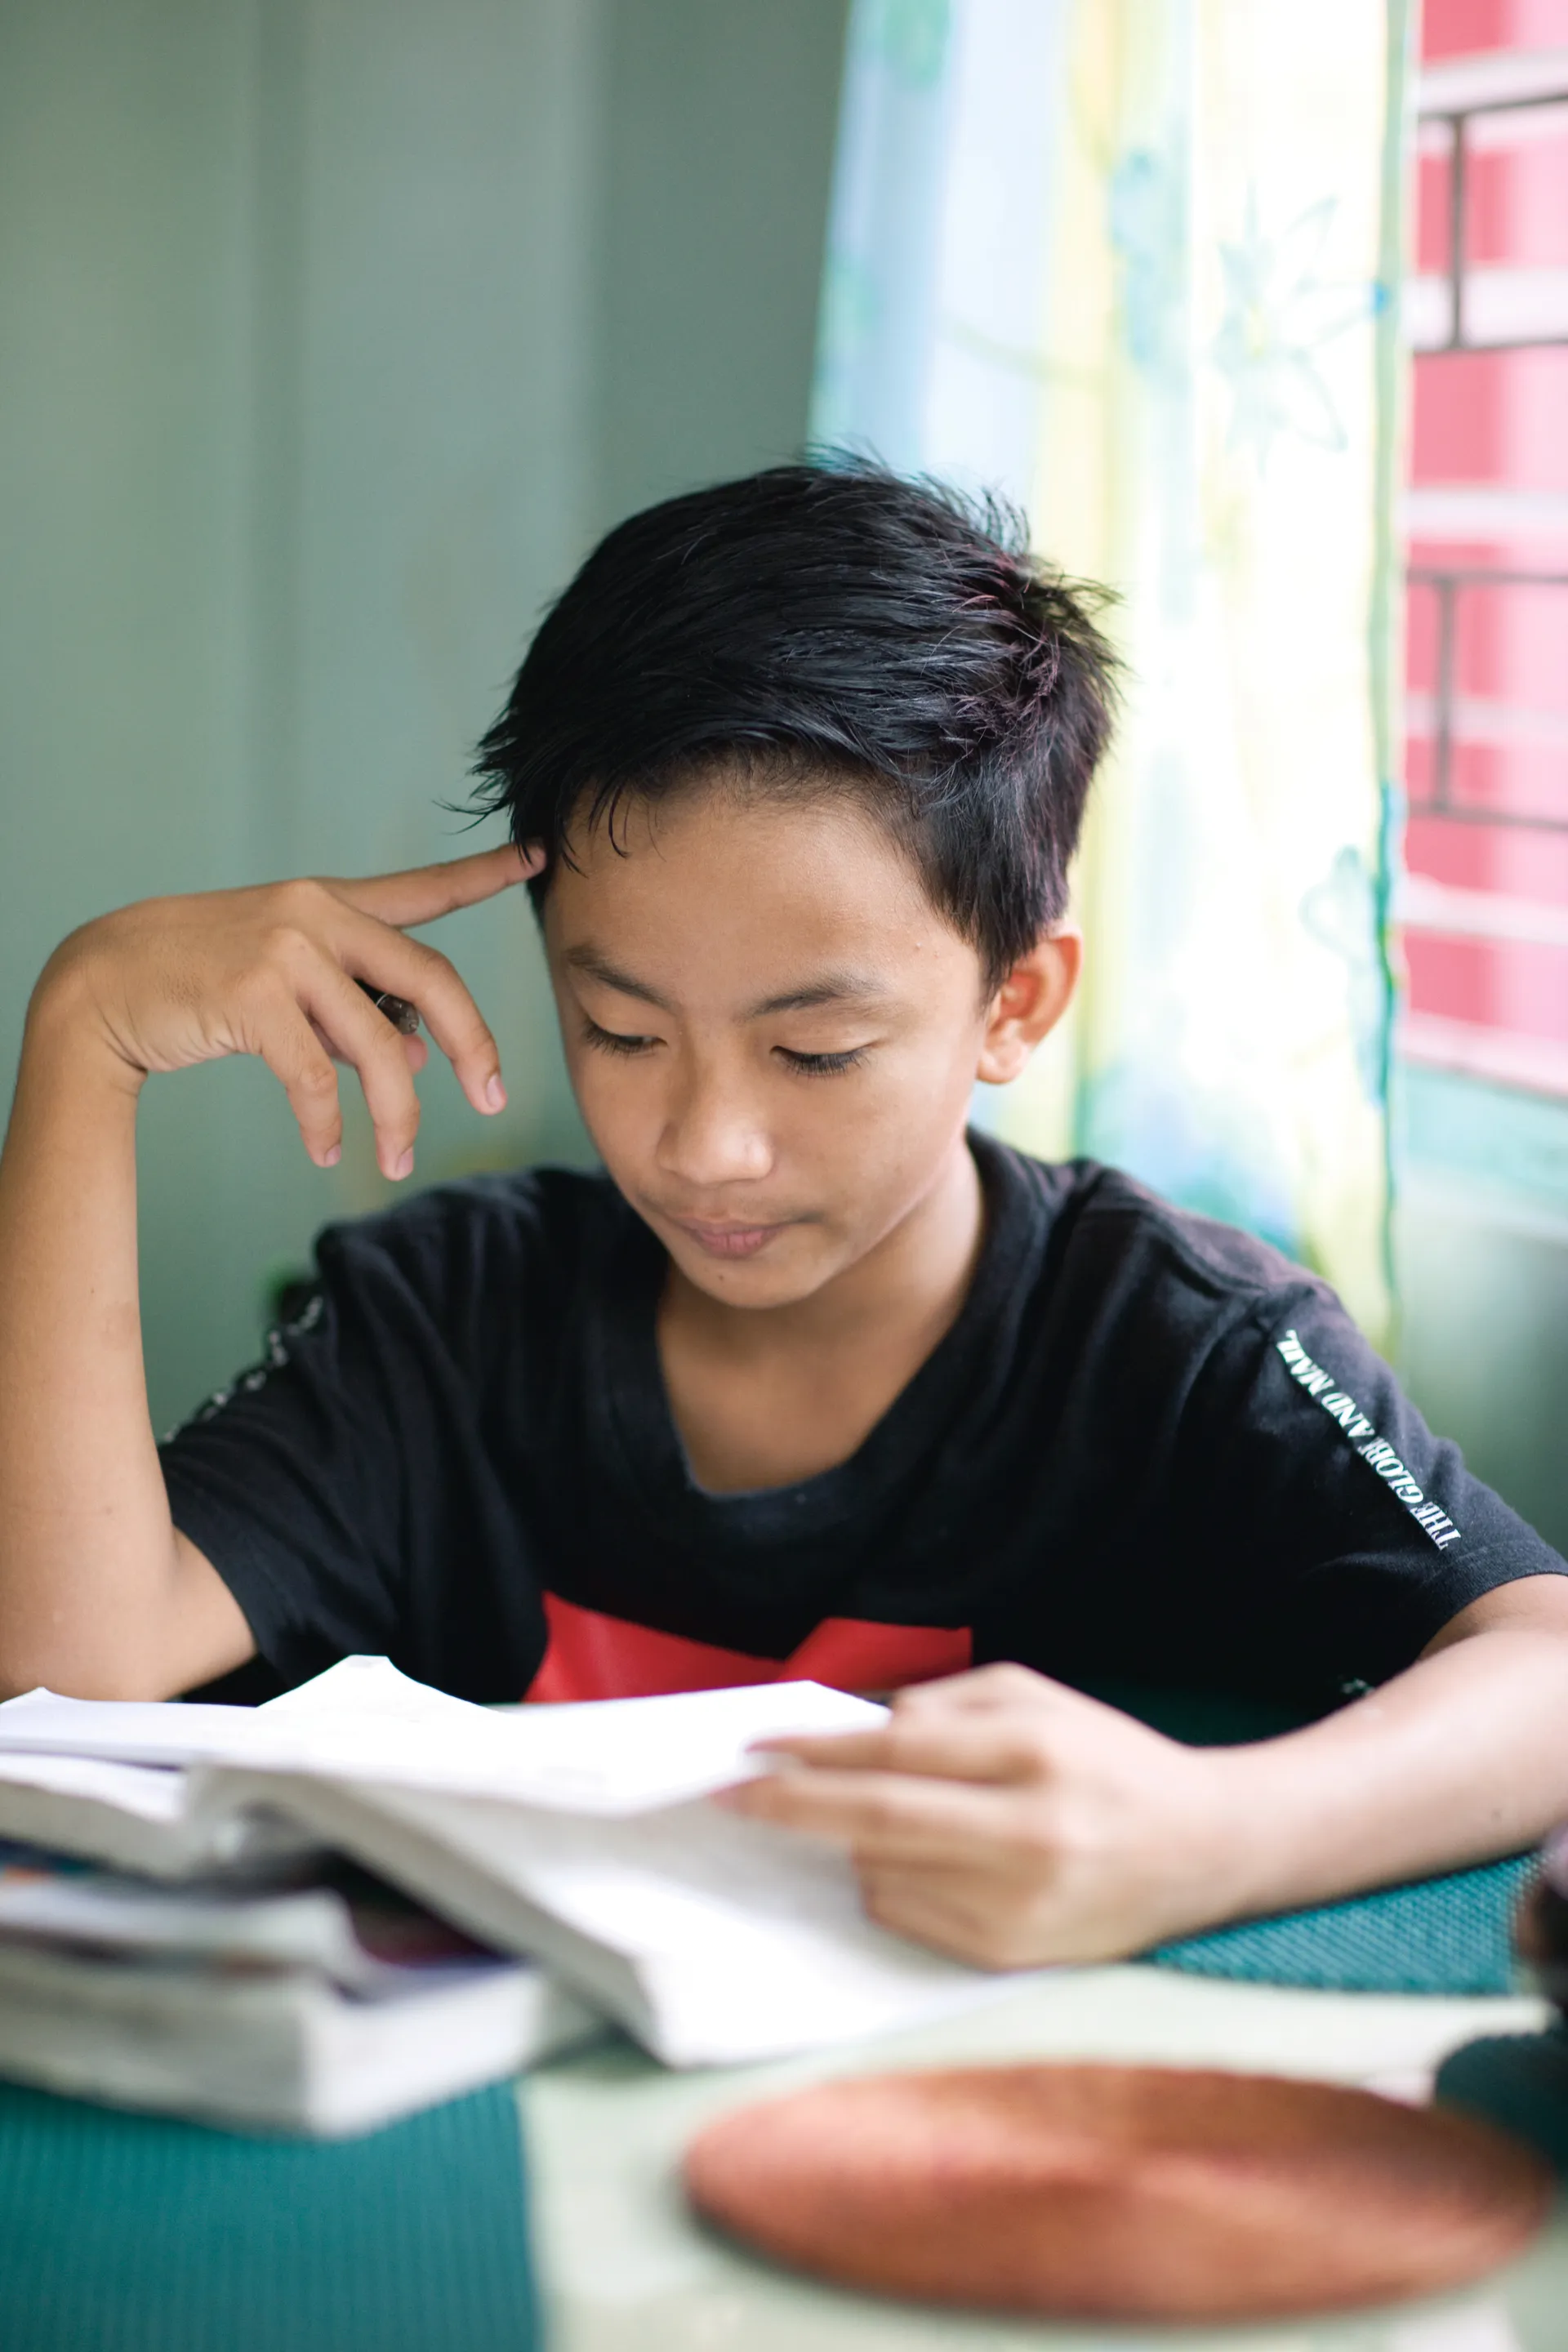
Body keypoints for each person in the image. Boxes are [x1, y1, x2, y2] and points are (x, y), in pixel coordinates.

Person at [2, 461, 1566, 1972]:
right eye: (620, 1033)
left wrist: (1216, 1833)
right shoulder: (449, 1321)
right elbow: (65, 1669)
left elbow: (1546, 1665)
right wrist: (83, 1039)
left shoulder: (1176, 1345)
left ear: (1013, 1003)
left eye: (814, 1049)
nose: (708, 1144)